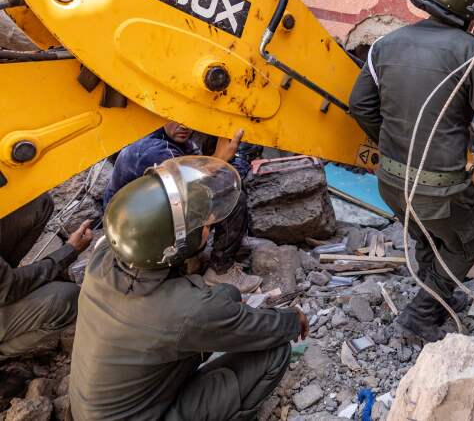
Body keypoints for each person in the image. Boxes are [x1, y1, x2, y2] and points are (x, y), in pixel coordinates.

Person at [348, 0, 474, 342]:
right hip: (439, 187)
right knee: (472, 237)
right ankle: (420, 315)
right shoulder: (471, 51)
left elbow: (360, 105)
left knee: (430, 235)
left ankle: (440, 293)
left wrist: (391, 143)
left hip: (390, 180)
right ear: (473, 11)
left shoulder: (385, 44)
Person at [70, 156, 308, 421]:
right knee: (275, 352)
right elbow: (265, 329)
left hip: (94, 411)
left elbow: (217, 302)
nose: (207, 225)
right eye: (201, 223)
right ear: (174, 245)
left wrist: (225, 307)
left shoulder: (104, 256)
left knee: (228, 296)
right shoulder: (186, 310)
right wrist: (292, 320)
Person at [103, 121, 261, 292]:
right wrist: (222, 159)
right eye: (175, 119)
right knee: (233, 195)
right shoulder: (154, 149)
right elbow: (193, 190)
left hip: (140, 223)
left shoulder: (177, 141)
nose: (184, 126)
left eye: (188, 120)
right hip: (132, 235)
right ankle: (220, 269)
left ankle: (188, 259)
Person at [0, 194, 93, 359]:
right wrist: (69, 251)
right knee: (66, 298)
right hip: (6, 288)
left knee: (37, 204)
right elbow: (9, 287)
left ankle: (12, 276)